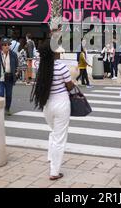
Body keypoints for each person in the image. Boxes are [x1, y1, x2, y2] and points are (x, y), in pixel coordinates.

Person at [30, 39, 75, 181]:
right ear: (53, 52)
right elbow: (70, 86)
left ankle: (50, 157)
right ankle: (55, 171)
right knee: (59, 139)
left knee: (54, 132)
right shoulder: (61, 67)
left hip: (47, 104)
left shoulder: (42, 68)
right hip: (61, 103)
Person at [0, 38, 18, 116]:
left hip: (9, 77)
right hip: (0, 77)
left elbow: (16, 65)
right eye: (5, 45)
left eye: (8, 45)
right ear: (2, 46)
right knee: (0, 94)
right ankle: (0, 109)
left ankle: (7, 108)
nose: (7, 46)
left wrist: (16, 72)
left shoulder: (13, 54)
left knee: (9, 94)